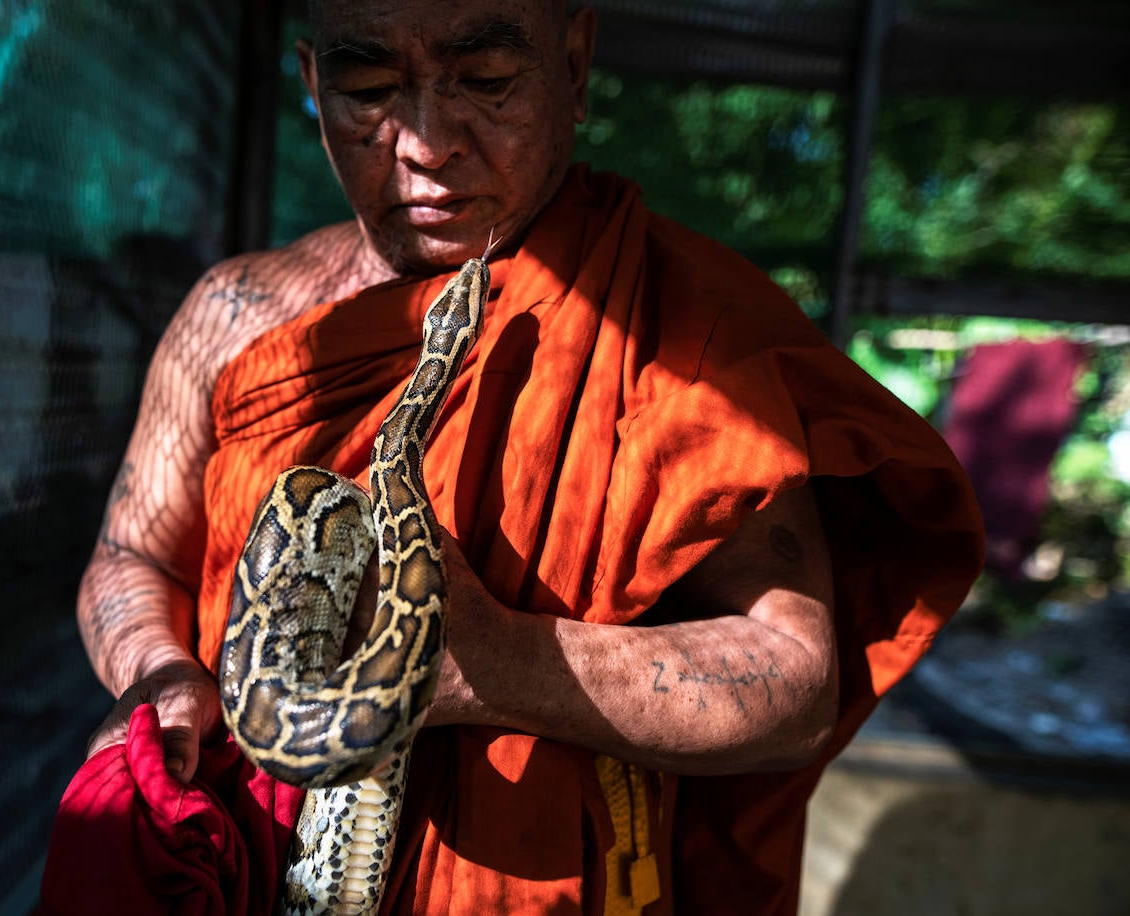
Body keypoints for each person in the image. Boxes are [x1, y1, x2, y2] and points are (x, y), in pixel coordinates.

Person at [77, 1, 984, 913]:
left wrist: (497, 660)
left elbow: (794, 682)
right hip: (252, 866)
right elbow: (133, 556)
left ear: (576, 64)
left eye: (486, 82)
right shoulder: (234, 318)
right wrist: (155, 669)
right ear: (312, 85)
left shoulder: (681, 330)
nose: (427, 143)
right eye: (367, 89)